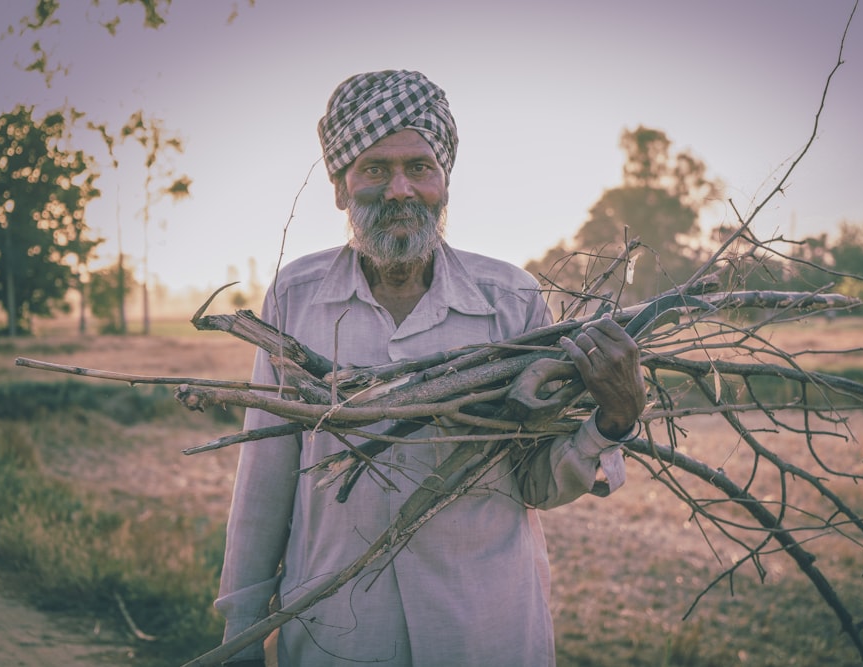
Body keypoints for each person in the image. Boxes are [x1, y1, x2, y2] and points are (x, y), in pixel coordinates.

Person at [216, 69, 647, 667]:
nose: (400, 190)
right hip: (336, 633)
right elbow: (265, 476)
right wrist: (240, 628)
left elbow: (537, 483)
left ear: (443, 183)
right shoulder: (296, 297)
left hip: (483, 632)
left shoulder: (510, 301)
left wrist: (615, 420)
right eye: (374, 169)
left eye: (419, 167)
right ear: (341, 188)